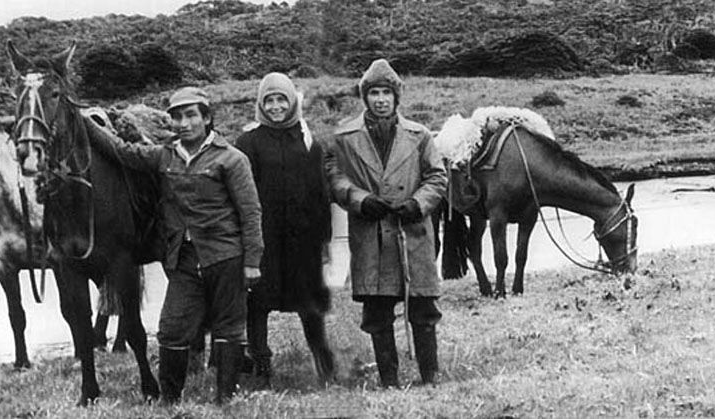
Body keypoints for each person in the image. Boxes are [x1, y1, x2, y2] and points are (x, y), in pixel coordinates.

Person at [82, 86, 263, 404]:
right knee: (171, 329)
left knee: (229, 328)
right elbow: (123, 151)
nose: (184, 123)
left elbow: (250, 212)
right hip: (183, 258)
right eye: (177, 117)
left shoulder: (232, 159)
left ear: (207, 118)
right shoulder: (164, 155)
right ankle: (169, 399)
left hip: (225, 255)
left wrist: (252, 261)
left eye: (191, 115)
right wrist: (84, 123)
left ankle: (225, 398)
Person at [325, 59, 446, 388]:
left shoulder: (419, 135)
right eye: (374, 93)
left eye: (386, 93)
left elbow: (437, 177)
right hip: (371, 234)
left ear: (396, 97)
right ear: (365, 97)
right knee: (378, 313)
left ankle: (430, 376)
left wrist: (418, 203)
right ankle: (389, 379)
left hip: (413, 233)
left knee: (422, 307)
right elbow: (334, 178)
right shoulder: (344, 137)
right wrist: (360, 200)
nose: (380, 99)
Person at [235, 72, 335, 388]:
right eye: (270, 100)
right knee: (258, 303)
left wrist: (324, 239)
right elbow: (241, 194)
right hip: (263, 238)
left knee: (309, 303)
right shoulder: (247, 142)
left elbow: (322, 194)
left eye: (282, 100)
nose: (276, 107)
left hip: (302, 239)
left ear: (292, 102)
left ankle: (324, 364)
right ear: (261, 104)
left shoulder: (308, 141)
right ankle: (261, 367)